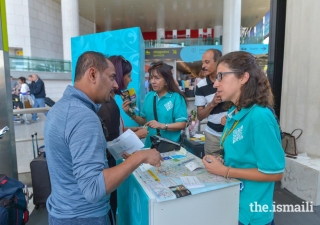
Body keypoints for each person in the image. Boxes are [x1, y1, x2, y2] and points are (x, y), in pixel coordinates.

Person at [44, 51, 162, 225]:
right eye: (111, 77)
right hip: (85, 217)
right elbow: (94, 188)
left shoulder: (61, 108)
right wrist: (141, 156)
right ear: (92, 74)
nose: (115, 84)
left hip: (64, 212)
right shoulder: (83, 117)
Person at [202, 51, 285, 225]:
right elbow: (244, 157)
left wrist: (225, 171)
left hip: (252, 214)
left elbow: (275, 172)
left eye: (221, 76)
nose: (216, 83)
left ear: (243, 77)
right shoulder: (234, 113)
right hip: (234, 205)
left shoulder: (259, 117)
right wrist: (222, 161)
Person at [97, 55, 148, 216]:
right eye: (128, 76)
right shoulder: (108, 105)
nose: (130, 80)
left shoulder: (110, 103)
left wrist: (130, 130)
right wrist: (138, 136)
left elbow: (114, 132)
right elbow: (112, 145)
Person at [123, 61, 188, 148]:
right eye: (151, 78)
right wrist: (131, 114)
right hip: (150, 146)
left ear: (166, 81)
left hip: (170, 147)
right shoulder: (149, 96)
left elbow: (182, 124)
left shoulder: (176, 98)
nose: (152, 81)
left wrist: (162, 125)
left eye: (157, 78)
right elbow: (145, 121)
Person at [195, 49, 227, 156]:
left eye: (207, 62)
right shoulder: (200, 86)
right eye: (202, 63)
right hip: (212, 136)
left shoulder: (230, 81)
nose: (203, 66)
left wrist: (230, 117)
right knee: (212, 168)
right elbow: (200, 116)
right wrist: (212, 103)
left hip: (232, 133)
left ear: (218, 62)